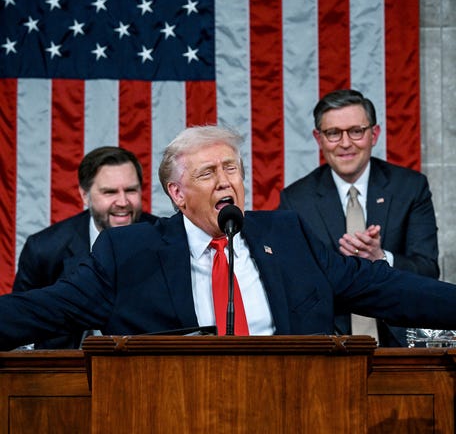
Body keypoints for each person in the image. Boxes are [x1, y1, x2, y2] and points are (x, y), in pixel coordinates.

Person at [0, 125, 455, 352]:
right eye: (207, 174)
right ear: (177, 194)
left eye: (231, 169)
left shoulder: (288, 234)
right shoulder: (130, 252)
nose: (225, 183)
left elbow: (379, 286)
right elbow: (45, 309)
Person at [279, 89, 439, 346]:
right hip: (329, 345)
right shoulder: (296, 200)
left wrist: (381, 259)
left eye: (356, 131)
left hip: (401, 345)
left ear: (374, 134)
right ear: (318, 138)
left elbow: (428, 270)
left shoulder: (410, 188)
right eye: (333, 133)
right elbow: (291, 285)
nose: (345, 143)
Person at [13, 146, 159, 349]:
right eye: (109, 192)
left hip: (144, 367)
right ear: (85, 195)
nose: (123, 202)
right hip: (64, 370)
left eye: (131, 190)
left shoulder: (165, 240)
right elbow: (22, 322)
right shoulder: (44, 249)